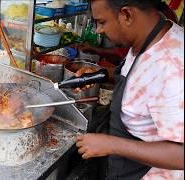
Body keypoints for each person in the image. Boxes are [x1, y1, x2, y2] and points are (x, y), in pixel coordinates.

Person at [75, 0, 184, 180]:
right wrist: (101, 74)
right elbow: (140, 78)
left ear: (127, 15)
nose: (98, 30)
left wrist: (111, 145)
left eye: (102, 22)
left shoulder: (173, 67)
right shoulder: (148, 37)